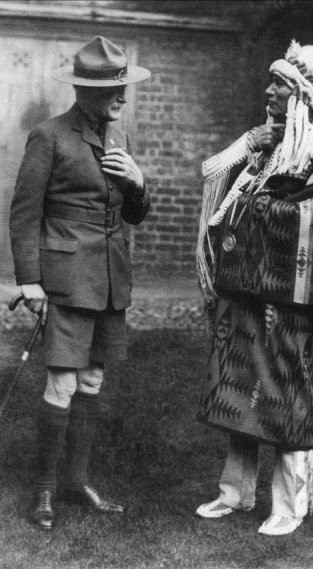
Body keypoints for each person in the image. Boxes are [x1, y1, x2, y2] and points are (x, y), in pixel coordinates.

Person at [195, 36, 313, 535]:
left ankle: (289, 505)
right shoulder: (270, 146)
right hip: (247, 291)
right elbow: (217, 182)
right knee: (237, 385)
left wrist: (251, 212)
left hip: (293, 299)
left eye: (278, 84)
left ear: (301, 95)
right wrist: (247, 149)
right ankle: (233, 494)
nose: (268, 91)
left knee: (285, 393)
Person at [9, 36, 151, 530]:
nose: (122, 97)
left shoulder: (120, 139)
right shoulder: (49, 136)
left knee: (92, 379)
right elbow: (25, 214)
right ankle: (45, 491)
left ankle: (77, 482)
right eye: (115, 88)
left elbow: (133, 215)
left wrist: (139, 184)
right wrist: (30, 281)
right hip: (66, 279)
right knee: (63, 382)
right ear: (86, 90)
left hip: (110, 278)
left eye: (124, 87)